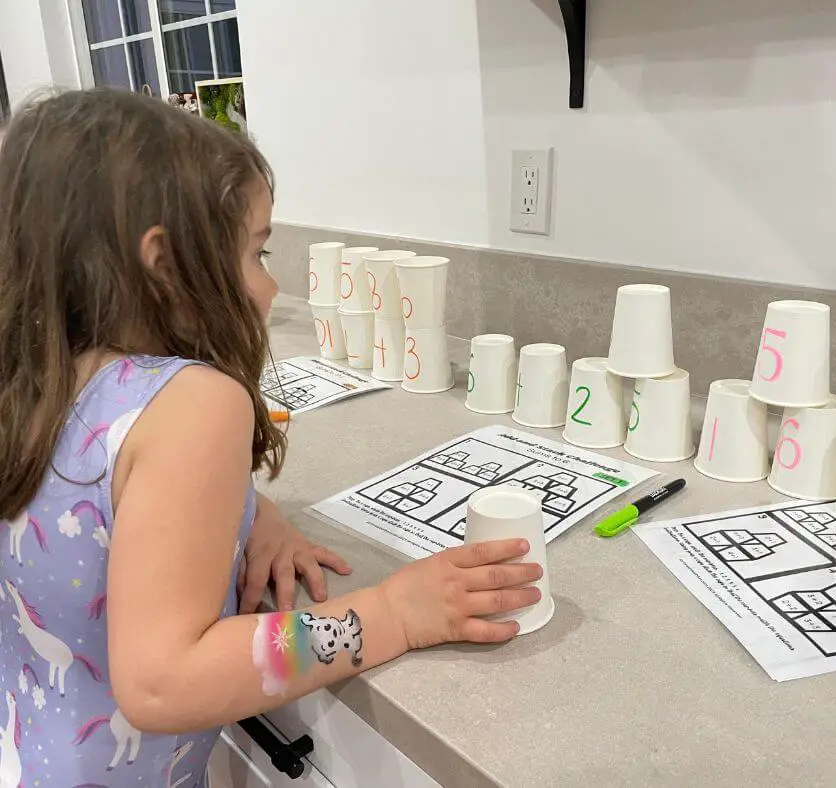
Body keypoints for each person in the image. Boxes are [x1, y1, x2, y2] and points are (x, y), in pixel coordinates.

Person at [0, 89, 541, 787]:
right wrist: (393, 613)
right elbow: (165, 681)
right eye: (257, 252)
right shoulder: (196, 403)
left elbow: (107, 503)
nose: (271, 284)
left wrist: (253, 515)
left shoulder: (38, 376)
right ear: (163, 265)